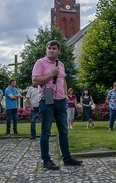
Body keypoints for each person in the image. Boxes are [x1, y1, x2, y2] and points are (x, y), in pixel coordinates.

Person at [32, 40, 83, 170]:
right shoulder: (40, 63)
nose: (51, 50)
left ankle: (67, 158)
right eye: (49, 48)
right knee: (46, 131)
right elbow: (35, 81)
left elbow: (63, 80)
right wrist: (51, 74)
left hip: (60, 100)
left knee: (63, 130)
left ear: (59, 51)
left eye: (54, 48)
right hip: (46, 99)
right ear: (46, 50)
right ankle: (46, 160)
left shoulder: (60, 64)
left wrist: (65, 95)